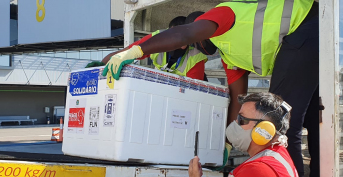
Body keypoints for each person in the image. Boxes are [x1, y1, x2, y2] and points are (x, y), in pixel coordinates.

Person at [103, 1, 319, 176]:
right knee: (313, 117)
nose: (199, 46)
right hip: (305, 38)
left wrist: (135, 52)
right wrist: (225, 144)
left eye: (198, 41)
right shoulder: (228, 55)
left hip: (302, 24)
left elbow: (185, 33)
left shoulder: (223, 14)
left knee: (280, 122)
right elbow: (238, 98)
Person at [189, 92, 298, 177]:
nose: (235, 123)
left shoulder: (255, 170)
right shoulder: (279, 154)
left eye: (242, 120)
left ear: (264, 129)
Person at [96, 15, 208, 81]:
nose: (178, 40)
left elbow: (194, 91)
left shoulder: (196, 56)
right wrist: (97, 68)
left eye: (183, 36)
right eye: (174, 35)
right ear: (167, 33)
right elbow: (127, 52)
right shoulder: (157, 38)